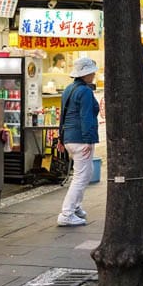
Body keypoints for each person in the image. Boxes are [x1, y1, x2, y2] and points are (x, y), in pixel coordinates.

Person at [56, 58, 100, 227]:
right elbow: (86, 116)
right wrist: (89, 139)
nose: (94, 74)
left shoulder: (69, 89)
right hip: (80, 138)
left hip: (69, 137)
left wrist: (61, 137)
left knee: (85, 173)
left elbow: (63, 115)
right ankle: (67, 213)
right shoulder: (85, 91)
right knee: (81, 176)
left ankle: (75, 207)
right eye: (92, 72)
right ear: (85, 74)